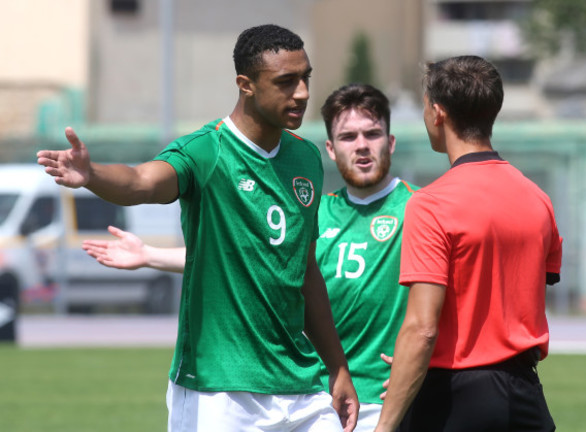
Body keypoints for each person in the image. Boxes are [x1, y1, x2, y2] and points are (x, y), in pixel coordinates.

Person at [37, 24, 358, 432]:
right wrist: (93, 173)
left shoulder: (306, 159)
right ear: (246, 85)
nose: (302, 93)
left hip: (300, 384)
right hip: (219, 390)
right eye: (286, 81)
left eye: (305, 78)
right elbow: (141, 181)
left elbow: (306, 271)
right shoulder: (207, 151)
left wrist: (338, 366)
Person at [82, 83, 419, 431]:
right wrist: (149, 254)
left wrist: (425, 363)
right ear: (331, 150)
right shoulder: (316, 209)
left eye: (372, 134)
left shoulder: (419, 208)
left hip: (382, 398)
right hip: (320, 389)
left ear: (391, 142)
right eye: (349, 137)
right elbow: (250, 263)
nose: (362, 145)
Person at [374, 56, 563, 432]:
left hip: (455, 400)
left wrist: (384, 426)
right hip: (526, 398)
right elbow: (512, 298)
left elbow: (422, 328)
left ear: (437, 112)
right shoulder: (537, 198)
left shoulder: (431, 204)